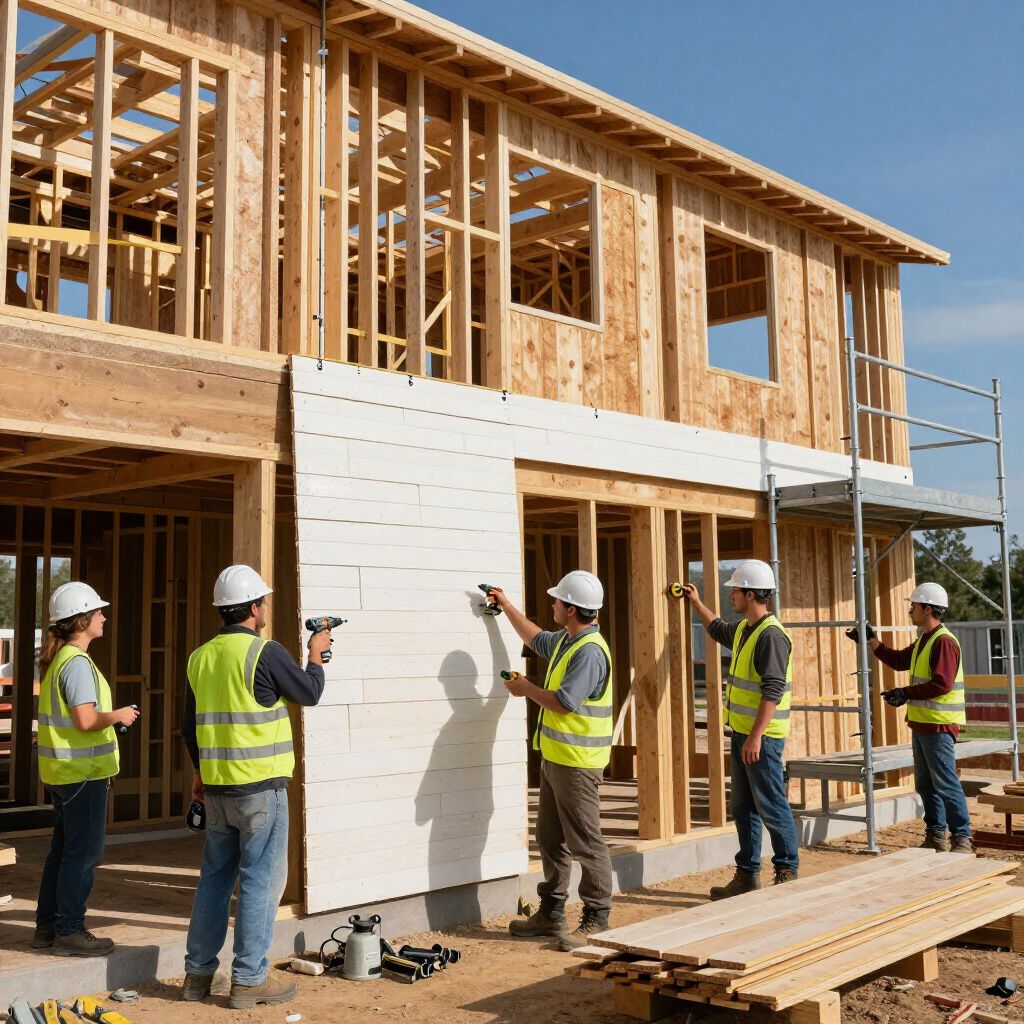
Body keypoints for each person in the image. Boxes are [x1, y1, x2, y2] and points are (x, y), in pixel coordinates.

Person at [180, 565, 331, 1008]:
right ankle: (248, 979)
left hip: (219, 788)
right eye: (262, 601)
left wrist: (201, 774)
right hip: (261, 790)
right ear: (252, 608)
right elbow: (309, 692)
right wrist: (316, 654)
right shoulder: (266, 652)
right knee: (261, 882)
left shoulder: (200, 657)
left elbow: (188, 728)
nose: (265, 607)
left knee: (213, 881)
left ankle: (197, 977)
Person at [486, 570, 613, 951]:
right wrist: (505, 605)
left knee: (586, 842)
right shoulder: (567, 640)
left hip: (577, 762)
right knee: (551, 838)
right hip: (558, 759)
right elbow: (535, 637)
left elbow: (564, 702)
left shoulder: (589, 651)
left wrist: (525, 689)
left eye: (558, 601)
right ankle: (552, 912)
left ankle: (597, 918)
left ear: (571, 609)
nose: (553, 604)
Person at [680, 559, 799, 899]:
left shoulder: (771, 636)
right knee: (743, 807)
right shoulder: (748, 630)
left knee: (772, 804)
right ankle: (747, 875)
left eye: (735, 590)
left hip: (762, 739)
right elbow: (718, 629)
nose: (731, 594)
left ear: (750, 593)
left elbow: (772, 689)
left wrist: (757, 736)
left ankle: (787, 871)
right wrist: (696, 601)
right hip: (744, 734)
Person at [34, 582, 139, 956]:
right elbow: (85, 719)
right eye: (98, 612)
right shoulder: (76, 664)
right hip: (84, 776)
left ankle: (47, 928)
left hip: (63, 774)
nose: (104, 617)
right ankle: (70, 931)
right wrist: (119, 716)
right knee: (82, 855)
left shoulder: (59, 660)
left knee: (62, 852)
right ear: (82, 620)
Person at [848, 581, 971, 852]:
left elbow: (942, 684)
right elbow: (900, 660)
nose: (910, 611)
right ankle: (936, 834)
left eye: (913, 606)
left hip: (938, 726)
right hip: (922, 724)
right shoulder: (925, 640)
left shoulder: (944, 642)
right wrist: (871, 641)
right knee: (926, 785)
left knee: (945, 783)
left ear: (927, 609)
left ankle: (961, 837)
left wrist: (905, 692)